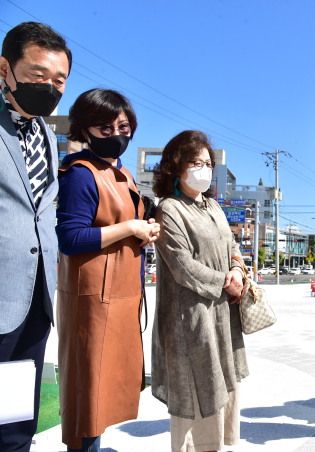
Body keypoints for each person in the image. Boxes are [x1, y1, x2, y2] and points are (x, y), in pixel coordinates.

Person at [55, 89, 159, 451]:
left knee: (104, 389)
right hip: (94, 301)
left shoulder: (122, 173)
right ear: (85, 129)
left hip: (117, 296)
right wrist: (132, 229)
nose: (117, 134)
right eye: (105, 127)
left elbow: (117, 225)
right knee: (88, 393)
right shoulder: (80, 173)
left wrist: (143, 231)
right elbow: (71, 238)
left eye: (124, 126)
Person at [151, 130, 249, 452]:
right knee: (194, 388)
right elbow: (181, 265)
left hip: (222, 314)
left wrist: (237, 269)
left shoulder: (213, 207)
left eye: (208, 163)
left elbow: (233, 244)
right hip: (190, 318)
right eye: (196, 162)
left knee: (221, 382)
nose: (204, 169)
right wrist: (225, 280)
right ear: (176, 166)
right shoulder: (169, 209)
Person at [0, 22, 71, 452]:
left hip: (35, 299)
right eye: (37, 76)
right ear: (5, 68)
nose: (49, 87)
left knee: (13, 415)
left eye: (58, 80)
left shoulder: (46, 133)